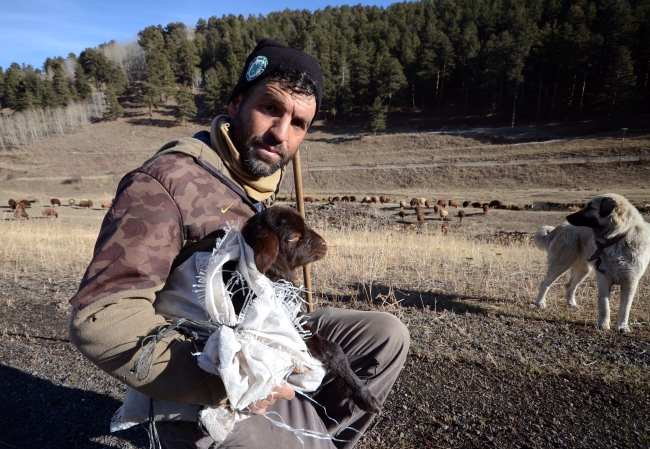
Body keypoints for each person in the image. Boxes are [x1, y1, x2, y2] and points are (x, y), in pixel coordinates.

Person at [69, 38, 409, 449]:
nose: (280, 134)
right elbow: (100, 322)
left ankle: (314, 436)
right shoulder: (165, 183)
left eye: (299, 123)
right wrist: (230, 381)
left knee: (386, 336)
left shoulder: (256, 183)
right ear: (235, 105)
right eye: (270, 108)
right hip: (207, 375)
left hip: (262, 342)